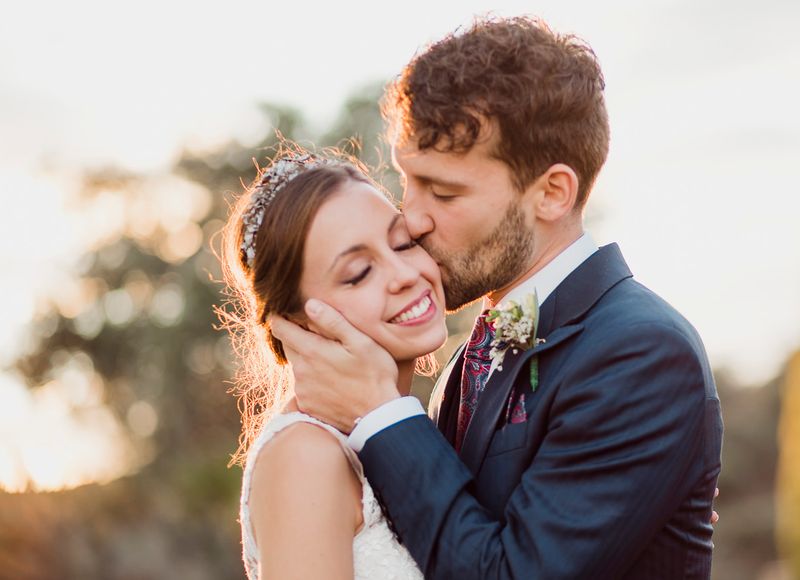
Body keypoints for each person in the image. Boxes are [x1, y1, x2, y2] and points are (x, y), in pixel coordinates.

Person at [270, 16, 724, 579]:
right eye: (409, 182)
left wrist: (380, 414)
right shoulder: (470, 358)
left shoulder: (642, 354)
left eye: (444, 191)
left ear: (552, 193)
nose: (411, 217)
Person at [219, 148, 447, 579]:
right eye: (360, 272)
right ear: (299, 321)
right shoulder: (307, 456)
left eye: (403, 242)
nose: (404, 274)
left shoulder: (413, 426)